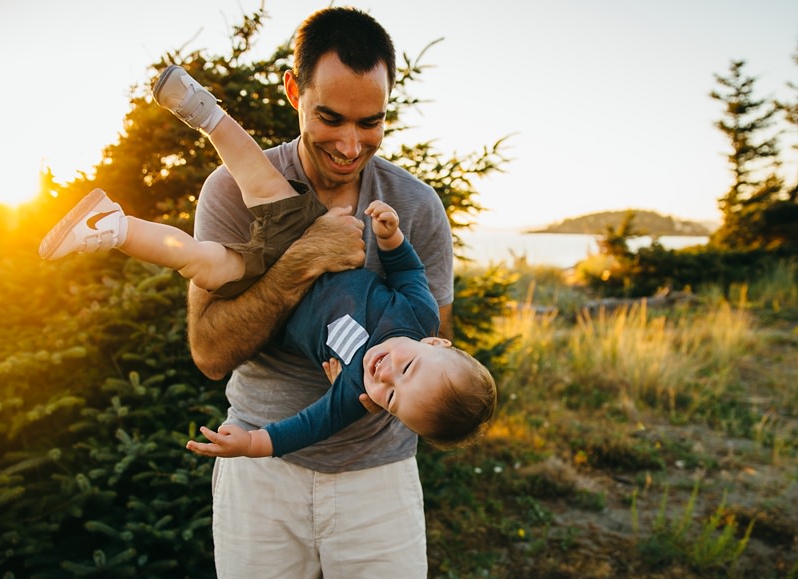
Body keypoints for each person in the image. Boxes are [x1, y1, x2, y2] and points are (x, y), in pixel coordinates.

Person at [163, 8, 450, 579]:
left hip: (378, 479)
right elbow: (208, 351)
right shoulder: (235, 190)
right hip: (262, 480)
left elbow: (437, 348)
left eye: (371, 122)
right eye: (331, 119)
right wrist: (302, 263)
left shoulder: (415, 207)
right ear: (294, 92)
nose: (352, 145)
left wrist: (378, 375)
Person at [40, 65, 496, 458]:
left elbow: (306, 427)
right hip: (303, 233)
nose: (386, 374)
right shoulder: (418, 316)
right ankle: (204, 110)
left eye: (393, 398)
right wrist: (391, 237)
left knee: (201, 262)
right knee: (261, 182)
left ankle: (111, 228)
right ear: (434, 344)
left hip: (267, 281)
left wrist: (250, 443)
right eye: (408, 368)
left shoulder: (357, 391)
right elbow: (409, 272)